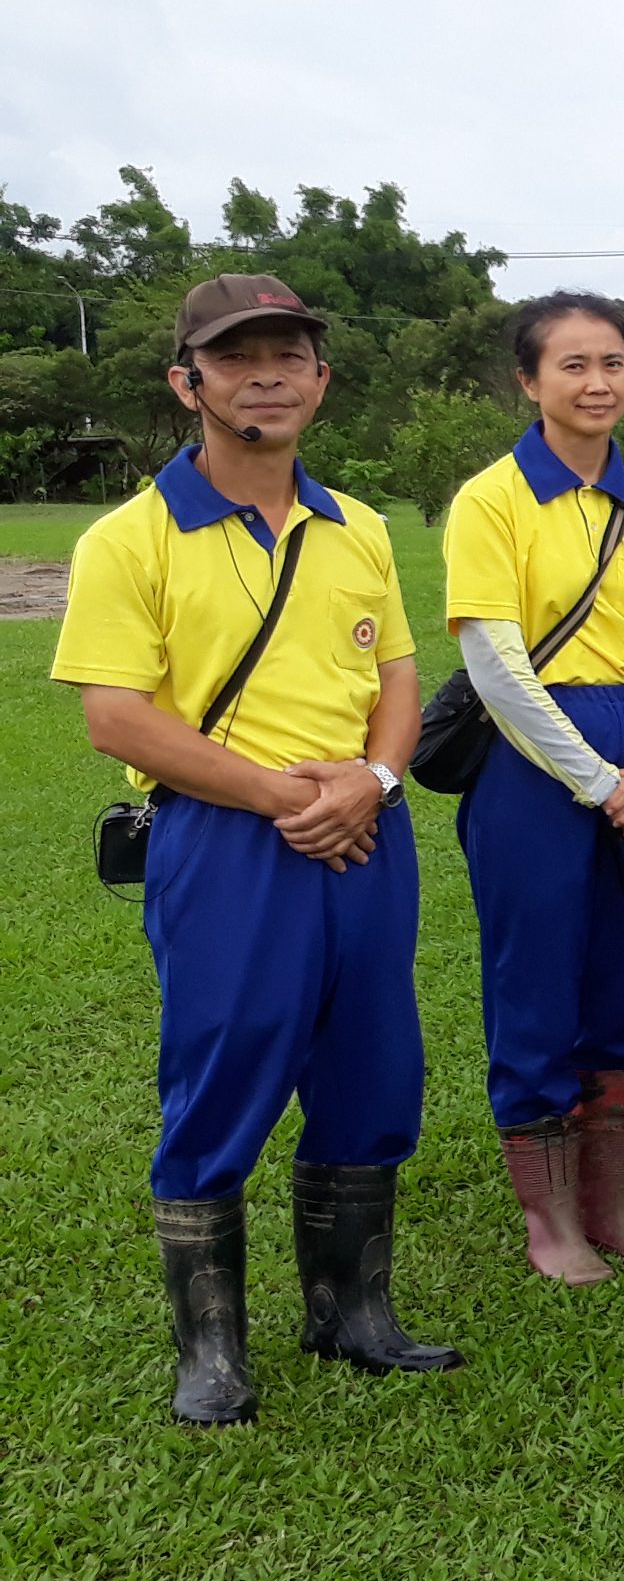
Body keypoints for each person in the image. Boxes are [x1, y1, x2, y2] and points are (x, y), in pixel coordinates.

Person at [54, 273, 456, 1424]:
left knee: (373, 1064)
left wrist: (374, 780)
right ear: (188, 381)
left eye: (289, 354)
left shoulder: (359, 526)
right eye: (237, 358)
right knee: (224, 1072)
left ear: (322, 380)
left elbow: (397, 678)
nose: (267, 374)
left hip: (365, 831)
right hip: (229, 843)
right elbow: (117, 719)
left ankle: (351, 1313)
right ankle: (211, 1350)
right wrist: (291, 795)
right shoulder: (131, 538)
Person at [443, 291, 624, 1285]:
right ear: (528, 381)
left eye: (612, 362)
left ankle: (618, 1209)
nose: (598, 382)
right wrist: (599, 778)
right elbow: (496, 664)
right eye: (572, 365)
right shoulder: (491, 501)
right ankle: (551, 1225)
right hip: (538, 770)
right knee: (536, 984)